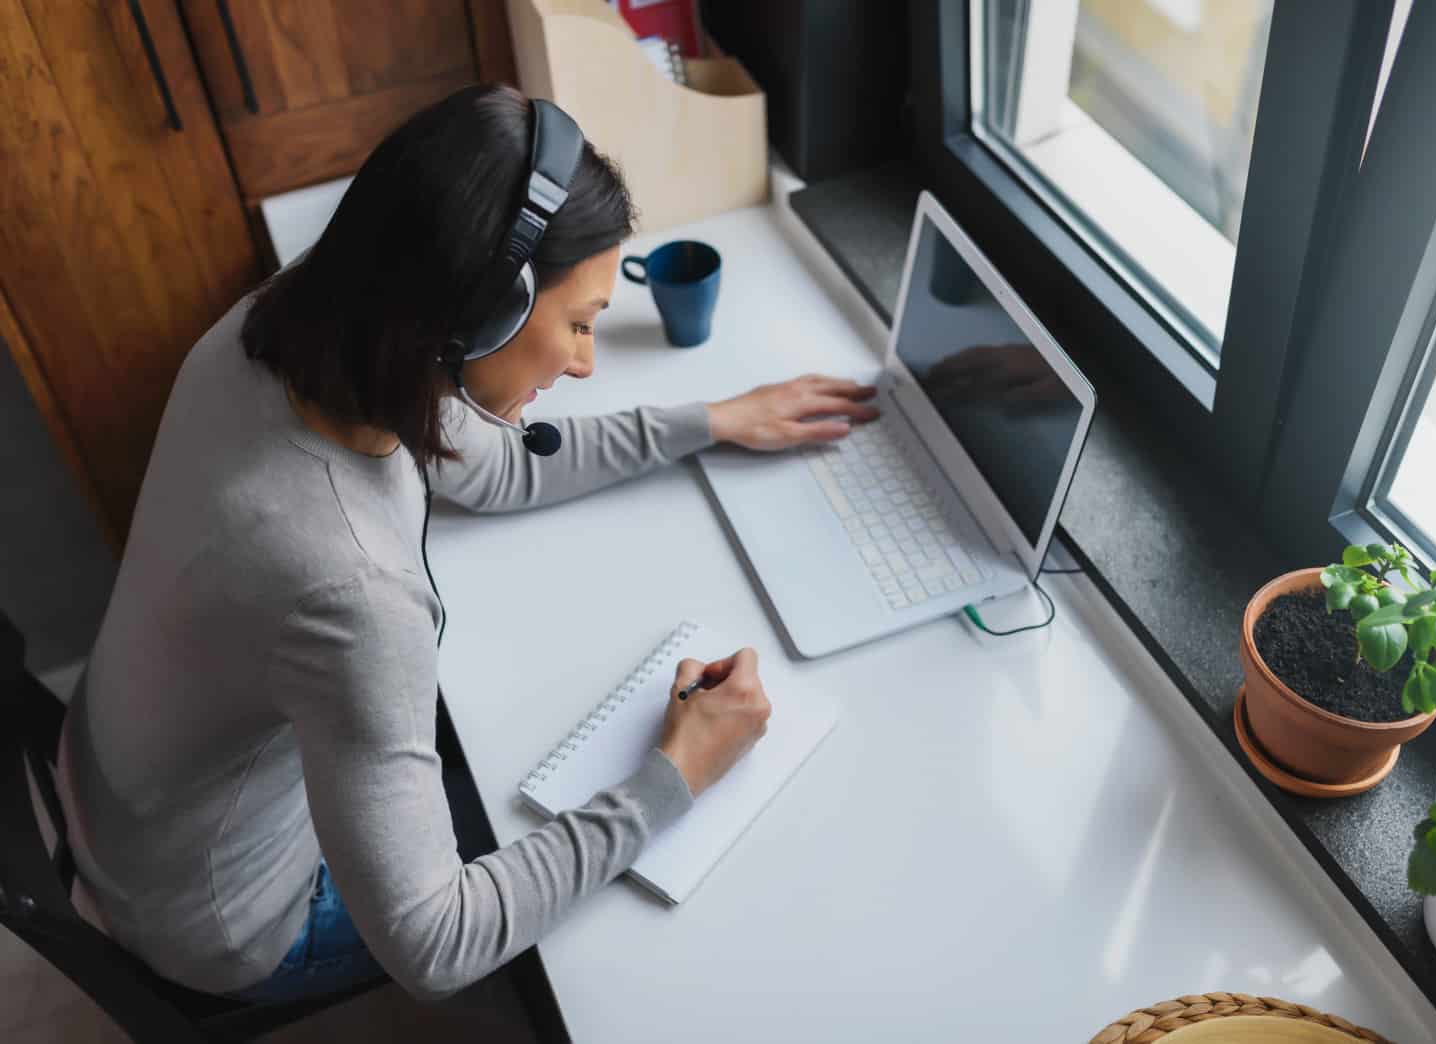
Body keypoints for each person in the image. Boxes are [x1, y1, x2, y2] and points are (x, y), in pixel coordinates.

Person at [56, 84, 878, 1004]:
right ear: (483, 311)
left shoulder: (289, 327)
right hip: (223, 919)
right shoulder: (353, 587)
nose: (583, 364)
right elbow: (435, 941)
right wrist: (675, 778)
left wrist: (711, 419)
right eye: (579, 323)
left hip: (119, 802)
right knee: (577, 861)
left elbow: (492, 468)